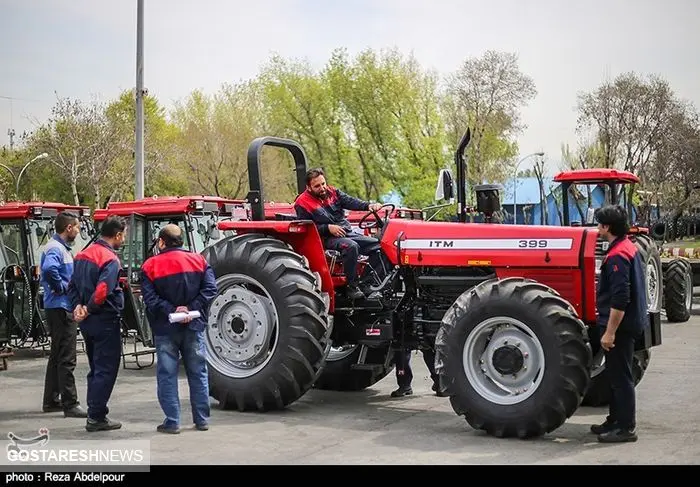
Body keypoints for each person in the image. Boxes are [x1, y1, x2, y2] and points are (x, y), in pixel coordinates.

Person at [140, 224, 217, 434]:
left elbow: (150, 299)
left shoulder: (150, 265)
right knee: (198, 372)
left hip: (165, 328)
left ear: (161, 242)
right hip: (193, 326)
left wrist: (173, 310)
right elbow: (211, 289)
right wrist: (189, 309)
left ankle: (172, 421)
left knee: (167, 374)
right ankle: (201, 420)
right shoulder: (199, 260)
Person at [591, 204, 648, 443]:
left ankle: (626, 427)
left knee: (622, 377)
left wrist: (610, 332)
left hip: (621, 327)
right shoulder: (627, 247)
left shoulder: (617, 256)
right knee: (615, 375)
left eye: (599, 224)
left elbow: (620, 298)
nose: (597, 228)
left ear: (607, 227)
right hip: (629, 322)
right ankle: (615, 419)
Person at [67, 215, 127, 432]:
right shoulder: (110, 259)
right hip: (105, 319)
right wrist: (89, 308)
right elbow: (103, 290)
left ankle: (95, 411)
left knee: (96, 367)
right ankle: (96, 416)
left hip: (87, 321)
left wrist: (78, 308)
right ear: (118, 235)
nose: (124, 239)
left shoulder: (82, 255)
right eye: (124, 235)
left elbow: (71, 285)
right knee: (106, 368)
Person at [294, 167, 383, 299]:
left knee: (379, 247)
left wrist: (368, 206)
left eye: (323, 183)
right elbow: (305, 227)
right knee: (351, 246)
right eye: (317, 186)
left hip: (345, 233)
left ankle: (366, 284)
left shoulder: (333, 192)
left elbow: (351, 201)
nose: (322, 188)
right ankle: (351, 288)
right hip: (324, 238)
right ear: (308, 187)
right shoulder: (302, 203)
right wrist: (327, 228)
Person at [41, 211, 87, 418]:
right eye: (77, 227)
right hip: (61, 307)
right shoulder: (56, 248)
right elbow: (49, 269)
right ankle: (70, 403)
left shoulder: (59, 248)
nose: (78, 231)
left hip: (57, 307)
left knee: (57, 356)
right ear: (69, 228)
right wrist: (61, 287)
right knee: (67, 358)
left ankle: (51, 399)